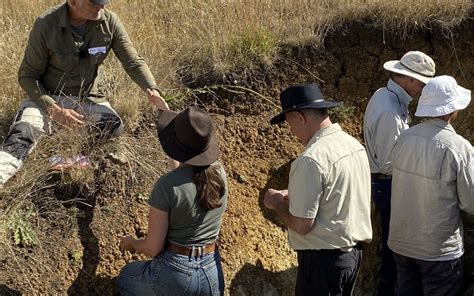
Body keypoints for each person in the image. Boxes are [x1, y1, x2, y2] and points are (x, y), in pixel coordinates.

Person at [0, 0, 168, 188]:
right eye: (95, 3)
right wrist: (52, 109)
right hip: (47, 98)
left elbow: (133, 61)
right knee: (21, 135)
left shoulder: (109, 22)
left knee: (112, 125)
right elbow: (27, 76)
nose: (102, 8)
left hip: (86, 98)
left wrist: (151, 88)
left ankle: (66, 156)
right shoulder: (46, 24)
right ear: (73, 2)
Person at [264, 83, 372, 295]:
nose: (291, 131)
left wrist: (277, 204)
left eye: (289, 123)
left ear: (300, 117)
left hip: (323, 262)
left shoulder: (311, 159)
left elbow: (303, 225)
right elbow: (337, 195)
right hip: (351, 257)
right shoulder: (354, 146)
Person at [117, 106, 228, 296]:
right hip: (211, 272)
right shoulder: (219, 172)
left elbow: (153, 248)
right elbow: (189, 182)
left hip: (176, 274)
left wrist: (132, 243)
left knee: (126, 278)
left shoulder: (166, 186)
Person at [388, 75, 473, 296]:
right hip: (438, 250)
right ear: (453, 110)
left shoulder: (404, 138)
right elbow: (470, 203)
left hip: (402, 243)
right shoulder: (459, 148)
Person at [363, 51, 435, 295]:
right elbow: (387, 163)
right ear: (408, 79)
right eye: (422, 84)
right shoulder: (389, 112)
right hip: (389, 185)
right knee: (396, 250)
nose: (423, 90)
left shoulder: (387, 98)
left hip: (389, 184)